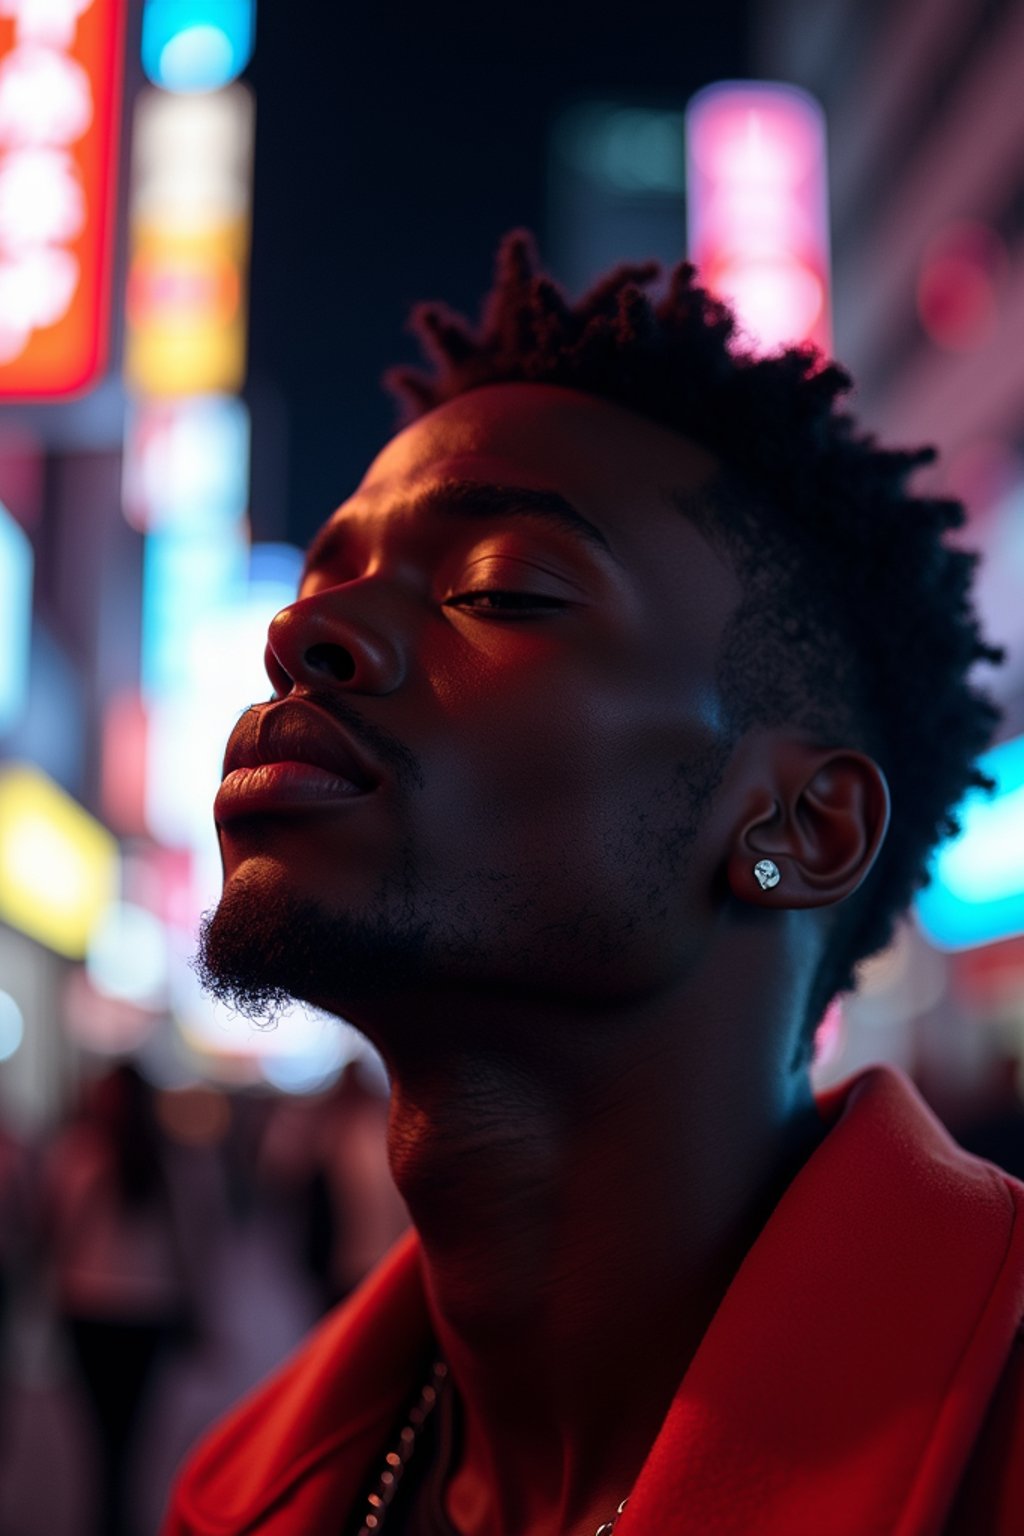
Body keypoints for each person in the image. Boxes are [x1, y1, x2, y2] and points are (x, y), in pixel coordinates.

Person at [164, 233, 1024, 1535]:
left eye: (498, 589)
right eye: (317, 588)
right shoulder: (242, 1492)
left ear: (800, 826)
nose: (300, 637)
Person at [41, 1063, 196, 1536]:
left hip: (92, 1305)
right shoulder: (167, 1158)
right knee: (130, 1429)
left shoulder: (80, 1153)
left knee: (102, 1430)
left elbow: (55, 1232)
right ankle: (117, 1514)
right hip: (145, 1307)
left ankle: (107, 1515)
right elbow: (191, 1242)